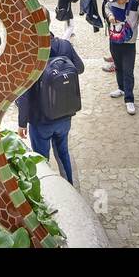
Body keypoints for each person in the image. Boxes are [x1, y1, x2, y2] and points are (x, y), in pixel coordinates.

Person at [16, 33, 85, 183]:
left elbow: (24, 93)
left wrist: (22, 123)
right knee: (63, 153)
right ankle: (69, 187)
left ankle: (47, 190)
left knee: (41, 160)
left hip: (41, 120)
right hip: (65, 113)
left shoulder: (31, 52)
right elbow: (79, 68)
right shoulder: (65, 45)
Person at [104, 0, 139, 115]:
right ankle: (121, 88)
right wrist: (109, 15)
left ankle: (129, 99)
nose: (116, 3)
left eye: (117, 0)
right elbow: (107, 7)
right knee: (118, 67)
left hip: (129, 43)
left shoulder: (136, 3)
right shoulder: (112, 2)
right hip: (114, 40)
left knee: (128, 71)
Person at [99, 0, 121, 73]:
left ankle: (115, 64)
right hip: (111, 17)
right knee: (112, 41)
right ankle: (113, 57)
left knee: (115, 42)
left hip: (115, 18)